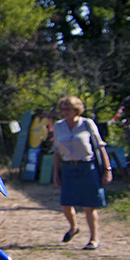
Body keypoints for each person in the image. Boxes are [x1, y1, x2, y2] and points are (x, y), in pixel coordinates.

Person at [51, 96, 113, 250]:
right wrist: (55, 174)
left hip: (87, 167)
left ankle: (94, 238)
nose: (64, 112)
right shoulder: (59, 126)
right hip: (68, 168)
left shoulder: (87, 124)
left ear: (76, 109)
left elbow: (100, 147)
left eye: (68, 109)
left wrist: (107, 170)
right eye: (62, 109)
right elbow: (57, 151)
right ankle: (73, 227)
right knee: (65, 203)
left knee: (89, 205)